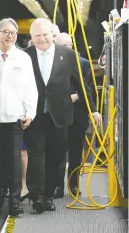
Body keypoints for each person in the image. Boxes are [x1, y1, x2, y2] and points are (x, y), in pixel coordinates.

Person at [22, 18, 102, 213]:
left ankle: (48, 195)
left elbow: (82, 84)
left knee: (56, 157)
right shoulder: (24, 56)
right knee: (35, 155)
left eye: (44, 35)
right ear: (31, 38)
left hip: (60, 114)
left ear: (52, 34)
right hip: (34, 114)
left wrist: (93, 109)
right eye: (36, 36)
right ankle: (37, 196)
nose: (41, 39)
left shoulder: (67, 55)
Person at [0, 18, 38, 216]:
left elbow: (30, 87)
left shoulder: (23, 58)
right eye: (5, 31)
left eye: (13, 32)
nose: (9, 35)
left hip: (15, 118)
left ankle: (15, 203)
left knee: (14, 163)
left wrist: (30, 113)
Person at [53, 32, 94, 198]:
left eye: (67, 45)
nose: (65, 48)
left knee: (76, 152)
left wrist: (76, 96)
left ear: (72, 46)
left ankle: (74, 185)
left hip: (77, 115)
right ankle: (56, 186)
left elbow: (89, 87)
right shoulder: (52, 63)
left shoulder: (83, 64)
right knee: (58, 152)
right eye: (61, 45)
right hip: (58, 115)